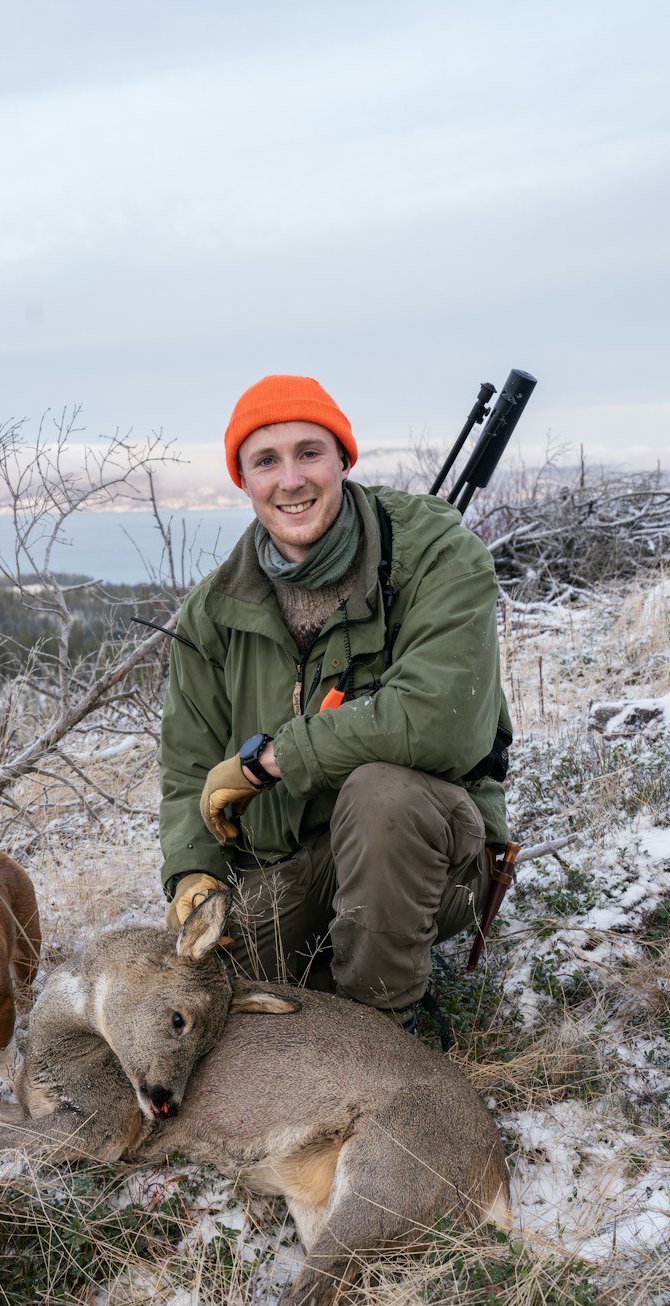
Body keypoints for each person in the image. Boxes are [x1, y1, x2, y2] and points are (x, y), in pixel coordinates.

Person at [158, 374, 512, 1028]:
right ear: (243, 479)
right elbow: (186, 768)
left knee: (383, 795)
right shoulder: (213, 610)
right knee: (212, 996)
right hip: (293, 863)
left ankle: (389, 1035)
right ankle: (330, 982)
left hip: (434, 854)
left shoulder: (436, 554)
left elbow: (443, 721)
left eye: (309, 453)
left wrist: (277, 759)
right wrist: (191, 875)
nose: (290, 479)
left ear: (344, 459)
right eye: (266, 460)